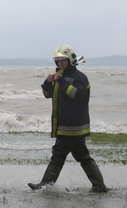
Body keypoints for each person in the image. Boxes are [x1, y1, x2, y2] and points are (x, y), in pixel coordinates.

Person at [28, 44, 107, 192]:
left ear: (70, 60)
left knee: (58, 155)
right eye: (58, 61)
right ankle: (99, 186)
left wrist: (62, 82)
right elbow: (47, 94)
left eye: (63, 60)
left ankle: (44, 186)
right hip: (67, 125)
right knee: (83, 156)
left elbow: (78, 96)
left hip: (71, 126)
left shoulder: (79, 78)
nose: (60, 64)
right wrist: (48, 82)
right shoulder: (60, 77)